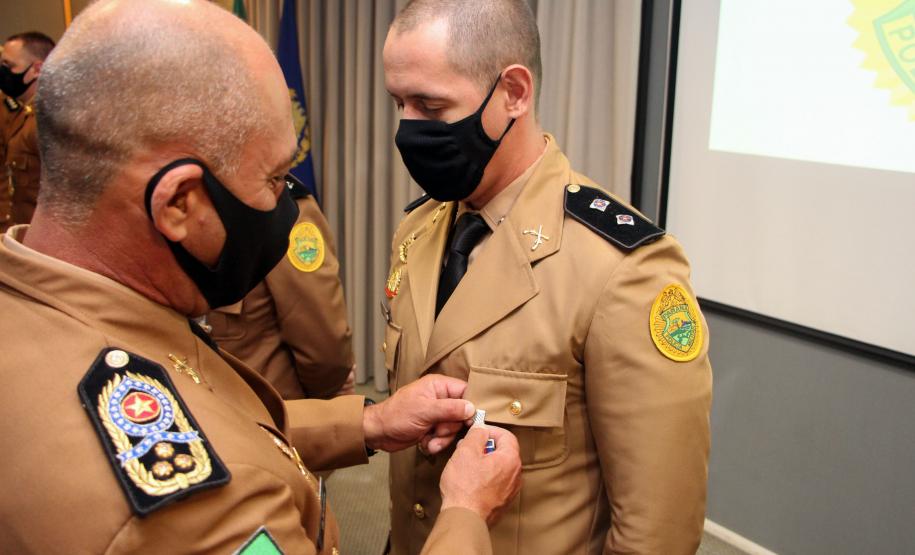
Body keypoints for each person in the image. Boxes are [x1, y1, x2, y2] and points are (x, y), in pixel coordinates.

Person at [0, 1, 521, 554]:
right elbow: (210, 456)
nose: (285, 205)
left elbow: (207, 423)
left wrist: (368, 423)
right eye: (273, 180)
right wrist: (467, 509)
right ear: (179, 203)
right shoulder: (200, 508)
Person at [381, 1, 713, 554]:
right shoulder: (418, 229)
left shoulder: (623, 270)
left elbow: (657, 532)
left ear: (513, 92)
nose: (408, 129)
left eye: (431, 106)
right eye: (400, 103)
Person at [206, 178, 356, 400]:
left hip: (276, 415)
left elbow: (319, 335)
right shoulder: (192, 198)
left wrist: (328, 395)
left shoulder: (281, 207)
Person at [0, 31, 54, 232]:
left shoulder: (50, 120)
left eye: (9, 66)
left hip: (43, 240)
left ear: (37, 69)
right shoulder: (16, 111)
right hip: (19, 232)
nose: (3, 72)